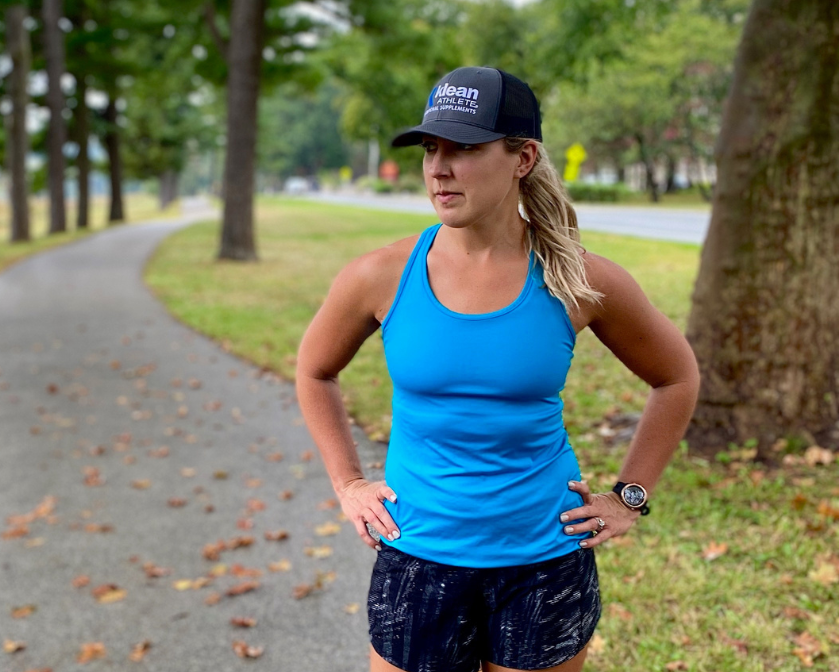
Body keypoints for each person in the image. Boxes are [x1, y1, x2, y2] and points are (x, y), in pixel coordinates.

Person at [294, 66, 700, 672]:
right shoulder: (380, 275)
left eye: (464, 148)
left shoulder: (578, 279)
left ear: (523, 157)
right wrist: (348, 484)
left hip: (543, 561)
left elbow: (676, 377)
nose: (439, 167)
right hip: (419, 557)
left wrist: (631, 497)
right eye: (431, 148)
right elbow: (314, 370)